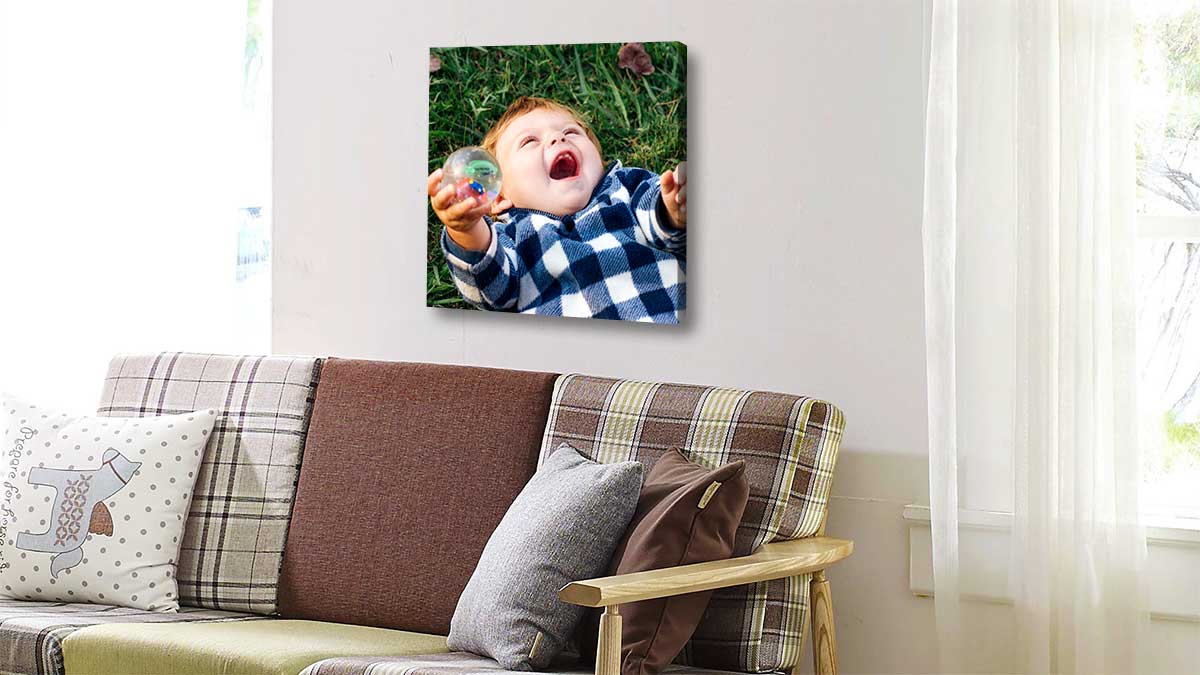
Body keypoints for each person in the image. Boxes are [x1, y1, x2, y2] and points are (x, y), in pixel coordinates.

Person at [427, 96, 687, 323]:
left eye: (571, 132)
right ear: (499, 195)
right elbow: (489, 289)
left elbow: (657, 213)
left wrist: (673, 209)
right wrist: (467, 229)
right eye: (529, 141)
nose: (557, 137)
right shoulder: (512, 238)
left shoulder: (625, 188)